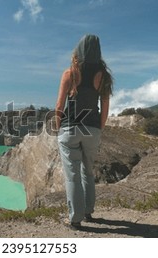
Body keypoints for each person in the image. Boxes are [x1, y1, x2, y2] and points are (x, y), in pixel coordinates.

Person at [54, 34, 113, 230]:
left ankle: (75, 218)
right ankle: (88, 212)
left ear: (78, 50)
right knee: (87, 171)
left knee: (72, 175)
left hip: (70, 128)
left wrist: (57, 126)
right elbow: (105, 107)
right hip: (92, 129)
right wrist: (99, 129)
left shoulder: (70, 73)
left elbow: (59, 105)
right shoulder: (103, 76)